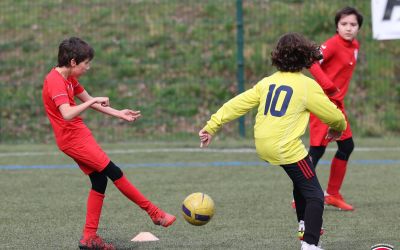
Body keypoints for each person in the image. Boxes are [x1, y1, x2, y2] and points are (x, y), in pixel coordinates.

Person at [198, 33, 346, 250]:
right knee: (315, 194)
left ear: (278, 56)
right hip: (285, 148)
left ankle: (304, 224)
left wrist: (212, 126)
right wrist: (337, 129)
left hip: (263, 144)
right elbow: (334, 116)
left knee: (302, 180)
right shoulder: (306, 86)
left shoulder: (267, 82)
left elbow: (237, 104)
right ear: (306, 57)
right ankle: (311, 244)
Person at [42, 37, 176, 250]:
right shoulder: (55, 81)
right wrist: (92, 101)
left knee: (99, 181)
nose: (88, 67)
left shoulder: (68, 78)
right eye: (86, 63)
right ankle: (154, 213)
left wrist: (119, 114)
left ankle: (89, 238)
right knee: (114, 172)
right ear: (74, 61)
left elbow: (90, 100)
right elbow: (67, 113)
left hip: (77, 134)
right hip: (72, 138)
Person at [307, 6, 363, 211]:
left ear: (358, 27)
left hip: (337, 106)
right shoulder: (332, 44)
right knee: (317, 151)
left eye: (353, 24)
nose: (348, 28)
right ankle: (301, 196)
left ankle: (332, 194)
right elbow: (312, 62)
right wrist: (328, 87)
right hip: (323, 104)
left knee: (346, 146)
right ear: (337, 26)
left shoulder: (354, 45)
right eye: (344, 24)